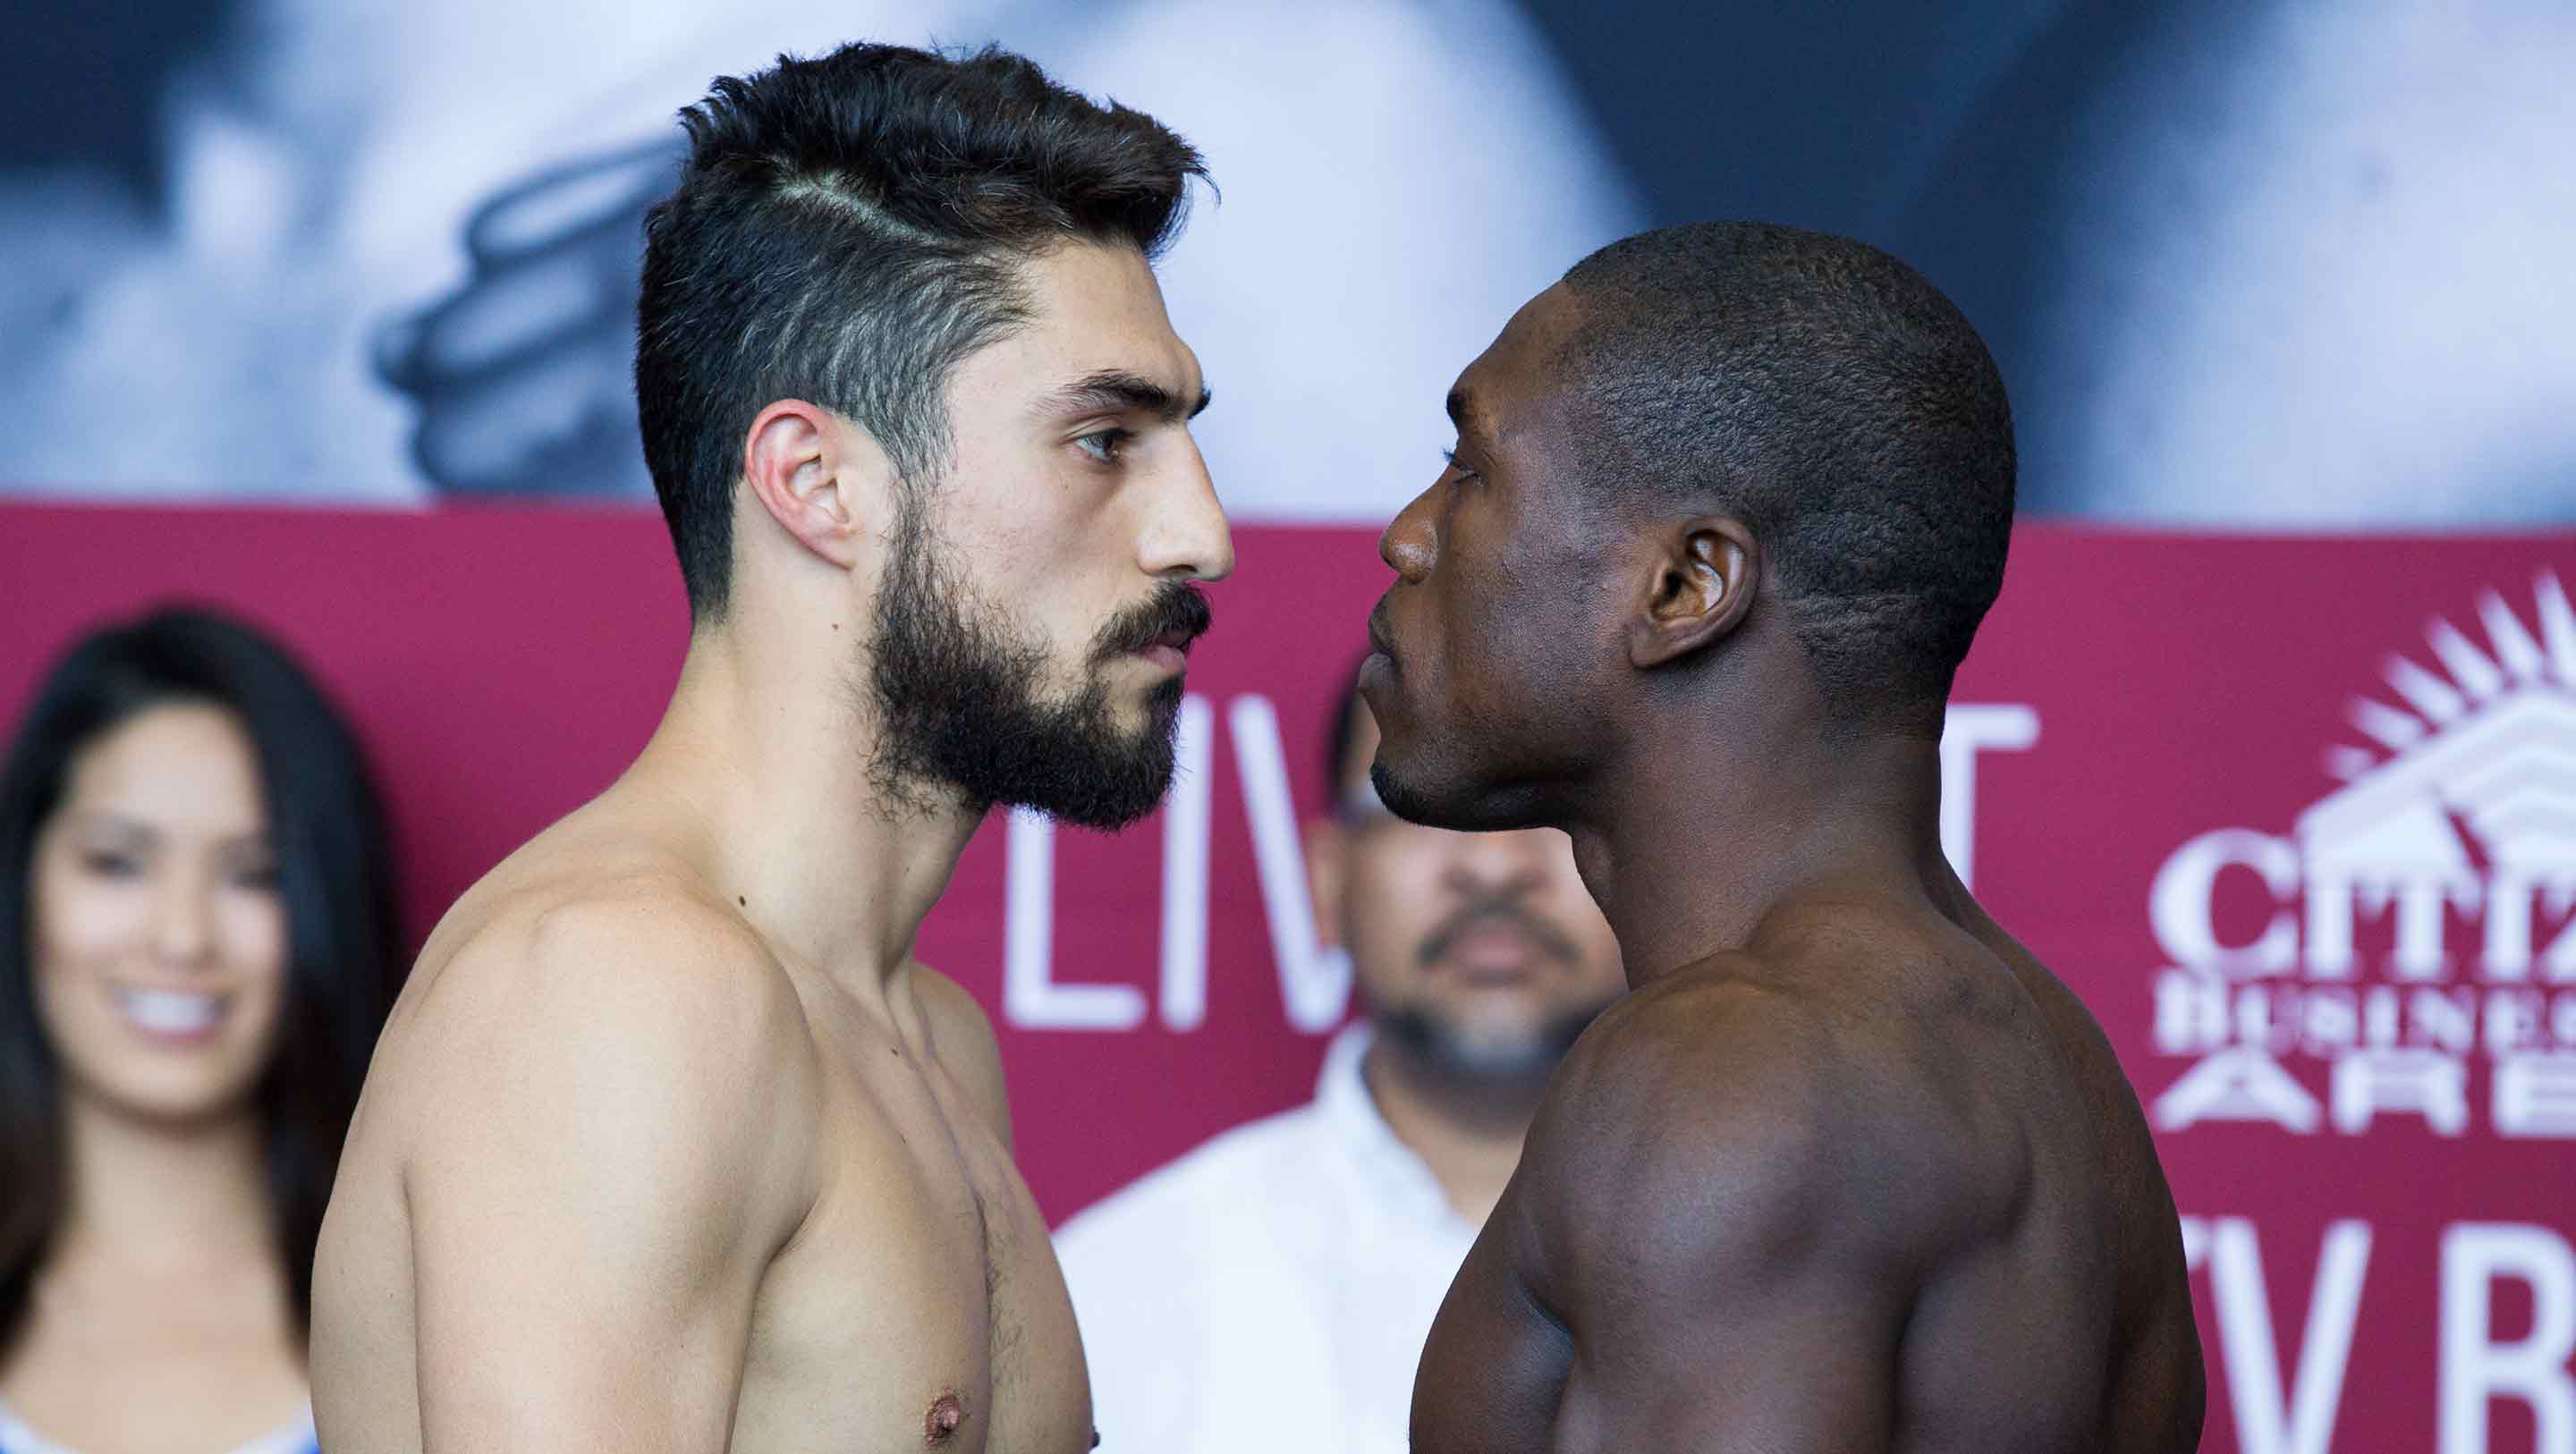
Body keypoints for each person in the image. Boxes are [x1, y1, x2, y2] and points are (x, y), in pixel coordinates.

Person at [309, 42, 1228, 1452]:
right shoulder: (622, 992)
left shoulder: (929, 1038)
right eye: (1105, 440)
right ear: (815, 483)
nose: (1200, 535)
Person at [1367, 222, 2205, 1450]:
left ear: (1685, 587)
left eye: (1472, 468)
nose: (1408, 533)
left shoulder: (1728, 1072)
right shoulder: (2063, 1078)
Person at [1055, 661, 1623, 1453]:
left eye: (1550, 807)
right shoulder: (1113, 1295)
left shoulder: (1804, 1264)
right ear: (1327, 883)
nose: (1494, 866)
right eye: (1424, 808)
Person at [0, 607, 405, 1454]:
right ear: (24, 884)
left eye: (253, 877)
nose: (183, 938)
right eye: (118, 861)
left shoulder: (425, 1313)